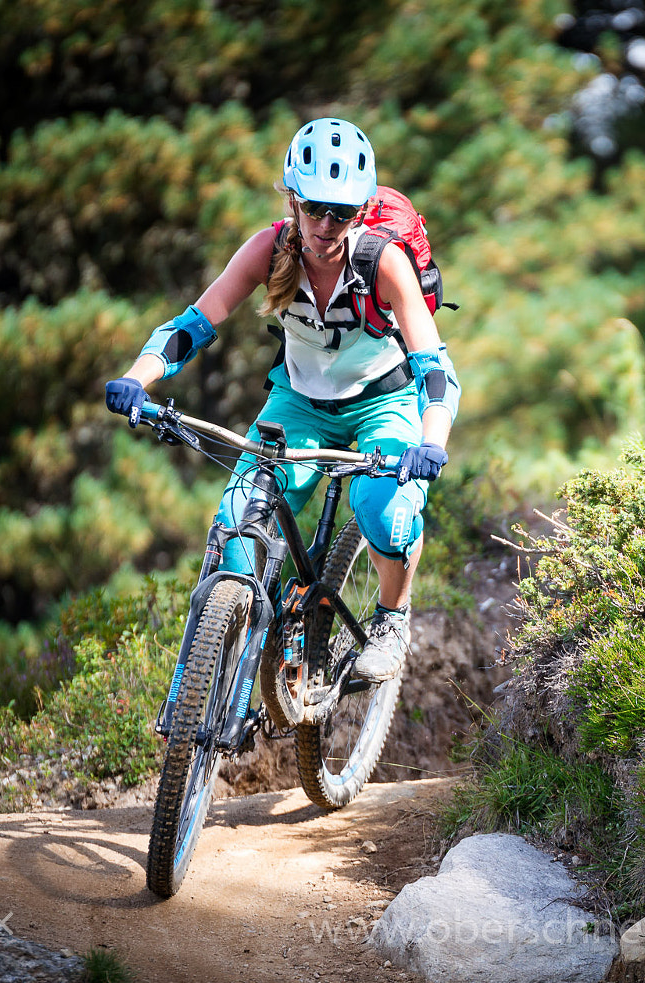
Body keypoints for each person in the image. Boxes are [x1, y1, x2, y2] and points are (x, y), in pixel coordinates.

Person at [103, 117, 458, 683]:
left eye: (341, 212)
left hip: (382, 402)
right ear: (293, 198)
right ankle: (217, 687)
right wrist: (137, 378)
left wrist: (431, 441)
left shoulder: (382, 261)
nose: (325, 224)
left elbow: (435, 370)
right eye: (314, 207)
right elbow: (192, 326)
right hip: (298, 403)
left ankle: (392, 620)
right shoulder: (268, 250)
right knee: (237, 527)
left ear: (360, 211)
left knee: (384, 513)